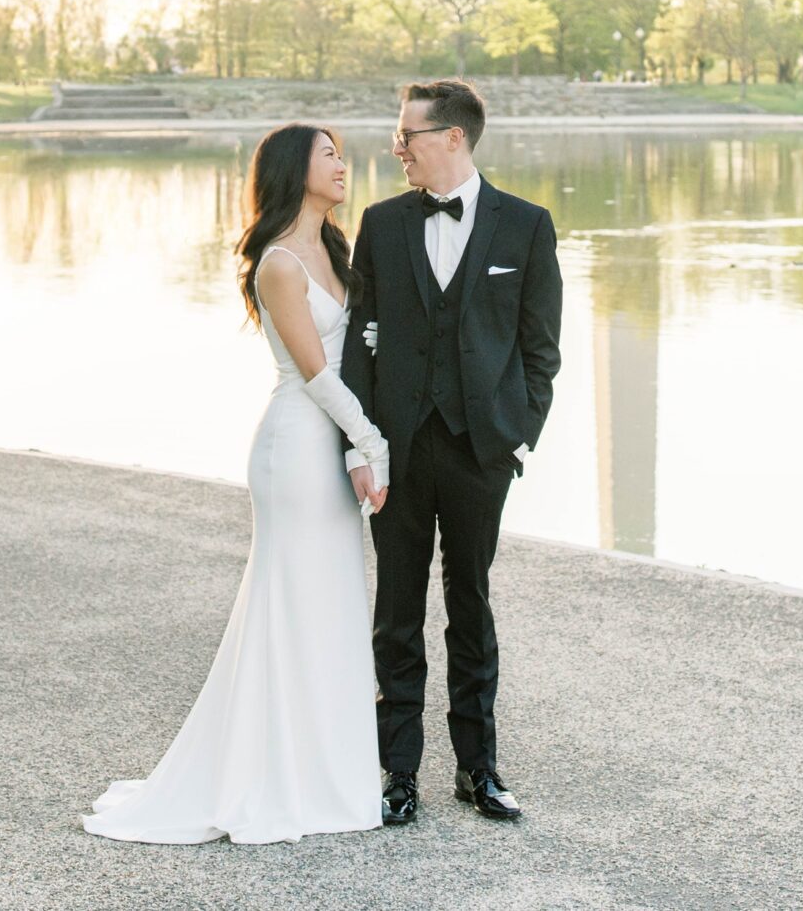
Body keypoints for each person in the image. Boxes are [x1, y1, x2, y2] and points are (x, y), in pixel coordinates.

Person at [81, 124, 390, 845]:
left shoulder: (337, 250)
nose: (343, 165)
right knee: (292, 604)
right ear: (294, 170)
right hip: (297, 446)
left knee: (332, 603)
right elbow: (317, 374)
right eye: (329, 155)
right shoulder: (280, 264)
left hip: (333, 443)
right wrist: (369, 441)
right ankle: (276, 775)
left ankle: (325, 768)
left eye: (341, 154)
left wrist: (361, 443)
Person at [338, 79, 563, 825]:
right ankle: (398, 772)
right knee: (395, 611)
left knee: (471, 605)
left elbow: (541, 351)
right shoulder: (381, 224)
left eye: (408, 134)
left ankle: (479, 771)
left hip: (480, 452)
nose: (397, 146)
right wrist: (362, 443)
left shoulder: (526, 226)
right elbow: (358, 350)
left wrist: (515, 435)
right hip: (396, 450)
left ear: (453, 138)